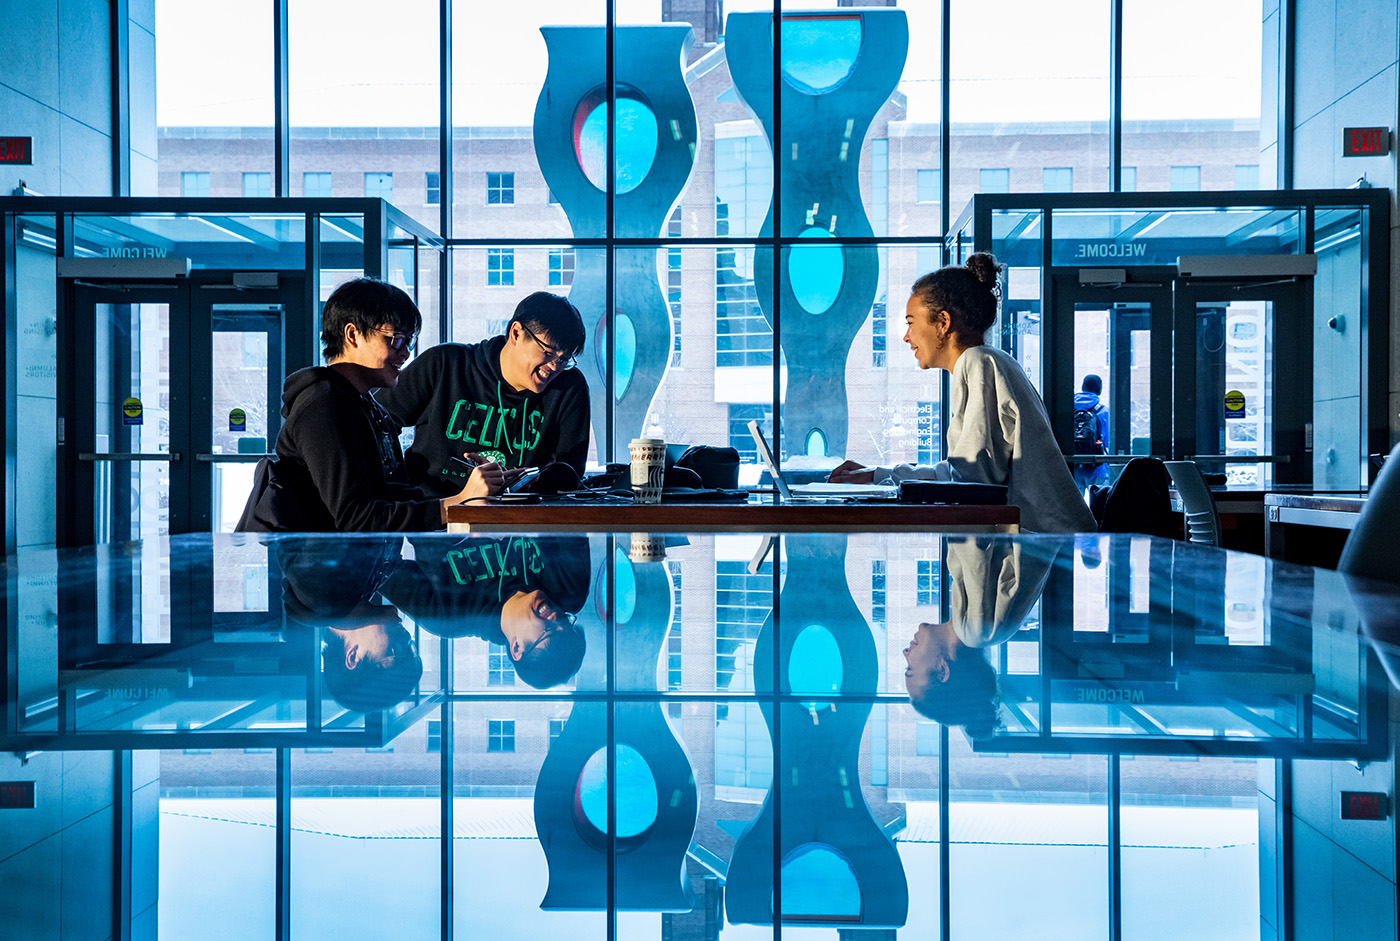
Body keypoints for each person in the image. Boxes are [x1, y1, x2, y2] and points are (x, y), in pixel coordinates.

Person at [828, 253, 1096, 533]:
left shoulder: (978, 363)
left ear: (943, 322)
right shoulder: (990, 361)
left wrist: (879, 480)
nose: (906, 337)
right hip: (1041, 543)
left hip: (1042, 547)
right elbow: (964, 475)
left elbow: (970, 487)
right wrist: (876, 475)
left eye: (910, 322)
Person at [236, 277, 509, 532]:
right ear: (352, 335)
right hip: (323, 575)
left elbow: (390, 492)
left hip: (350, 573)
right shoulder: (324, 405)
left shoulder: (363, 404)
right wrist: (454, 505)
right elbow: (357, 518)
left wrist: (471, 491)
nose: (405, 352)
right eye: (396, 339)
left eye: (409, 341)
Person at [382, 291, 590, 498]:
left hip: (522, 519)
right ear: (516, 333)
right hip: (435, 515)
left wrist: (528, 479)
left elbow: (570, 470)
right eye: (548, 352)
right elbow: (378, 422)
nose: (554, 367)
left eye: (564, 360)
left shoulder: (570, 386)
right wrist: (396, 485)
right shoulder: (445, 365)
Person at [381, 534, 590, 688]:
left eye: (550, 631)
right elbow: (570, 496)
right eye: (565, 623)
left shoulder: (447, 616)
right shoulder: (568, 590)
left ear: (517, 648)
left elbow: (376, 566)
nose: (556, 617)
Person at [904, 537, 1057, 739]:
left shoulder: (974, 629)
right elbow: (974, 530)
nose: (905, 653)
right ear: (942, 670)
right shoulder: (977, 631)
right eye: (910, 669)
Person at [1072, 374, 1110, 491]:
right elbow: (1107, 440)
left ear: (1083, 387)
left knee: (1075, 503)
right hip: (1096, 465)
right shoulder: (1103, 411)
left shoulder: (1069, 408)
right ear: (1099, 390)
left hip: (1073, 462)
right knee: (1098, 501)